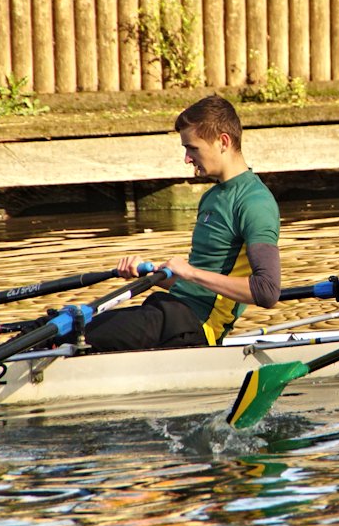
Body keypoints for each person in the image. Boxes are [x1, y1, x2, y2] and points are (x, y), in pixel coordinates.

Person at [75, 95, 281, 351]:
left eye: (192, 148)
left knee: (81, 336)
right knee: (72, 326)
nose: (187, 158)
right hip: (172, 314)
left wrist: (189, 271)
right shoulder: (211, 197)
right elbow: (196, 285)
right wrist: (149, 273)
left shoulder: (254, 202)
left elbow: (267, 291)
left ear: (223, 142)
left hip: (197, 327)